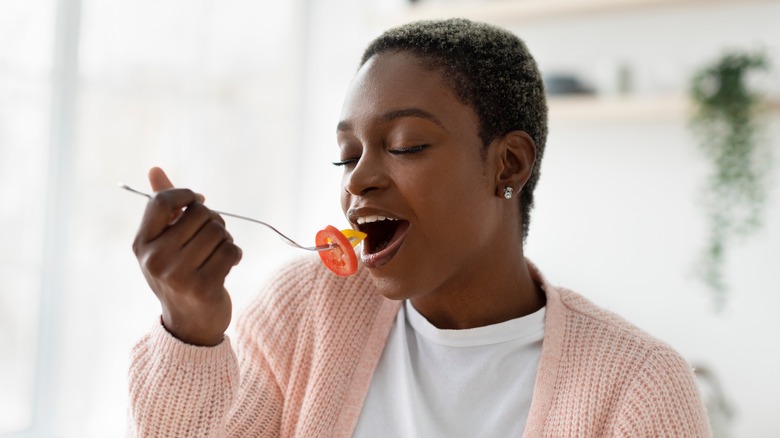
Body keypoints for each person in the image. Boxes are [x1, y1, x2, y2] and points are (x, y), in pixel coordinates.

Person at [127, 18, 710, 437]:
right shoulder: (306, 309)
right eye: (346, 154)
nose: (357, 181)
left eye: (405, 145)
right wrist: (191, 332)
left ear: (507, 165)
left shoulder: (638, 386)